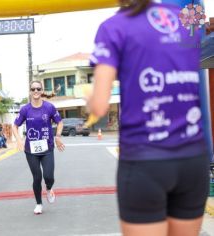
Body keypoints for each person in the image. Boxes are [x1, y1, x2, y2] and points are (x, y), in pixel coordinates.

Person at [87, 1, 210, 236]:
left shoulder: (113, 27)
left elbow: (100, 106)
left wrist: (90, 101)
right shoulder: (186, 20)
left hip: (145, 161)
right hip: (193, 159)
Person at [12, 80, 65, 215]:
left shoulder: (49, 107)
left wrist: (57, 136)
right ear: (30, 91)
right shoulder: (25, 109)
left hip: (47, 148)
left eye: (38, 89)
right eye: (33, 89)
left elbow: (59, 122)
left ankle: (48, 188)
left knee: (49, 176)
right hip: (31, 150)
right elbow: (15, 125)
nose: (36, 91)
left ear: (42, 91)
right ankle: (38, 203)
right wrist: (19, 140)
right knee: (37, 178)